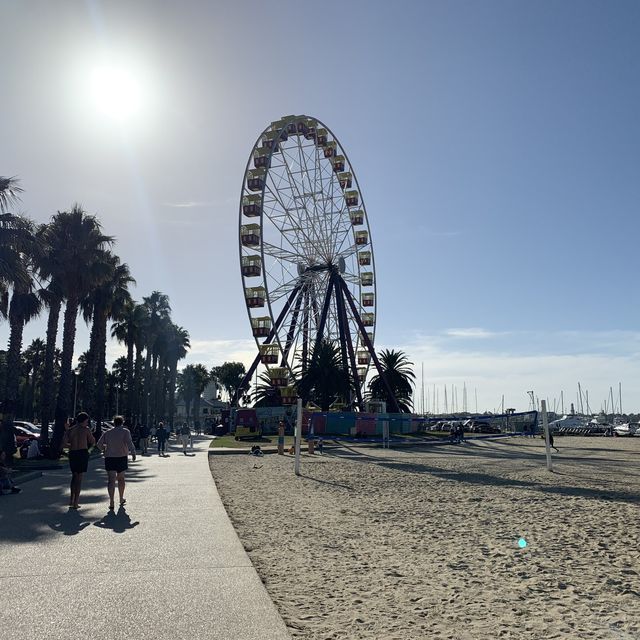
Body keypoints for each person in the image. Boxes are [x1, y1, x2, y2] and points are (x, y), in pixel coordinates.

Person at [97, 415, 136, 510]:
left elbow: (98, 444)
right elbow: (129, 443)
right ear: (122, 422)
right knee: (121, 478)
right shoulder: (125, 432)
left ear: (114, 423)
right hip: (121, 457)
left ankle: (111, 501)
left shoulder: (108, 432)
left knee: (111, 480)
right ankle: (121, 498)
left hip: (110, 457)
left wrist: (104, 450)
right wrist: (133, 453)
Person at [62, 411, 96, 509]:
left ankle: (71, 500)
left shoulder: (70, 430)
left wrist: (72, 444)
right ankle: (76, 502)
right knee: (79, 478)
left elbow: (64, 443)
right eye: (87, 421)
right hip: (82, 453)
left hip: (73, 453)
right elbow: (92, 441)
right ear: (84, 420)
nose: (87, 422)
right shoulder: (86, 429)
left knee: (74, 477)